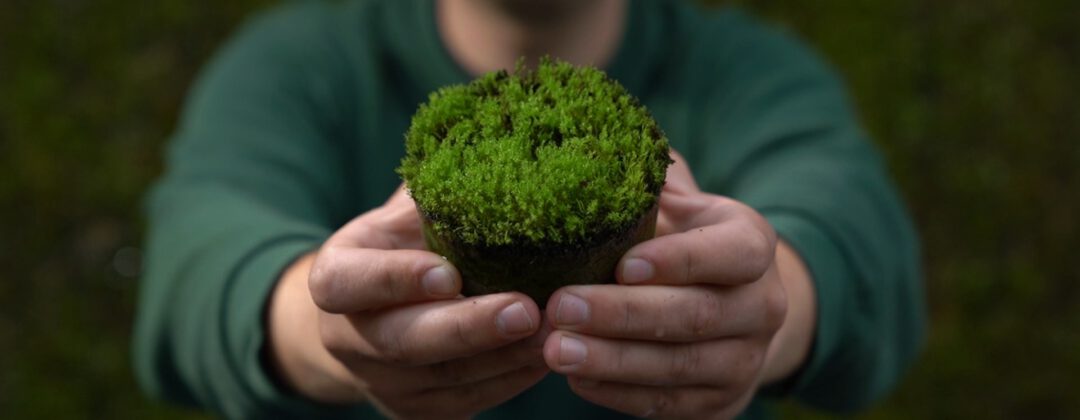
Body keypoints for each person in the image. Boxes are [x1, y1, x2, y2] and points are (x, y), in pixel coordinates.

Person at [133, 0, 927, 418]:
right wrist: (323, 328)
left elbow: (849, 219)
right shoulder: (300, 66)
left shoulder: (746, 70)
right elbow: (200, 251)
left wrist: (767, 304)